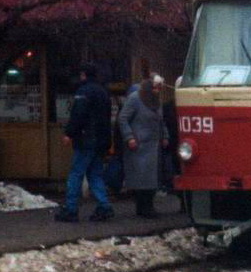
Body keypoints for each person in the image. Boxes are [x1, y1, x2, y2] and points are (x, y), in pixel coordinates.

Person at [55, 63, 114, 222]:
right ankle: (104, 206)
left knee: (76, 174)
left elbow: (78, 114)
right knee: (95, 174)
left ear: (84, 75)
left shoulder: (84, 92)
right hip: (100, 140)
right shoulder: (103, 92)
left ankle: (71, 208)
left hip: (86, 139)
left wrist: (69, 133)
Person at [118, 74, 169, 218]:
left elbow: (161, 121)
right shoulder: (135, 98)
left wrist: (165, 136)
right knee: (141, 178)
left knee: (152, 178)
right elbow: (123, 118)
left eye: (159, 88)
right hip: (139, 145)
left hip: (154, 144)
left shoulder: (156, 101)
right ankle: (143, 207)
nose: (158, 91)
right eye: (155, 88)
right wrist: (129, 137)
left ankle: (148, 206)